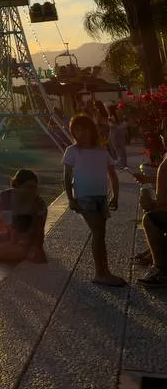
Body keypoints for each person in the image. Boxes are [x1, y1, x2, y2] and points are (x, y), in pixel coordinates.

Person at [63, 113, 125, 286]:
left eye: (84, 129)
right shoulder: (72, 151)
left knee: (101, 235)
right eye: (76, 130)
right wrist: (71, 199)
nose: (80, 133)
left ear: (91, 130)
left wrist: (116, 196)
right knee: (97, 233)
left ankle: (104, 271)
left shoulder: (101, 151)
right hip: (84, 198)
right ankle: (100, 273)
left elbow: (112, 175)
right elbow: (67, 178)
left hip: (101, 197)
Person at [0, 168, 49, 270]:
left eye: (35, 188)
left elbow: (36, 234)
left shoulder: (38, 204)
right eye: (28, 187)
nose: (32, 191)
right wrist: (2, 218)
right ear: (17, 185)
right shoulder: (5, 196)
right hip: (8, 237)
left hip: (25, 244)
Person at [133, 118, 167, 286]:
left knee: (150, 218)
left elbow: (161, 204)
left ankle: (160, 269)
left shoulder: (166, 165)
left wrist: (148, 203)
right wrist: (150, 178)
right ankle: (153, 252)